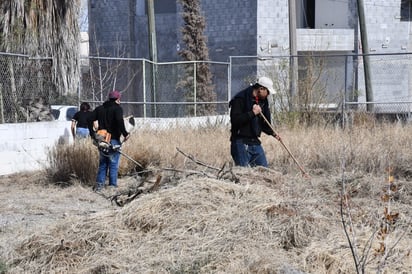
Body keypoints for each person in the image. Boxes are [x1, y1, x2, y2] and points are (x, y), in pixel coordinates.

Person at [229, 76, 281, 167]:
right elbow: (235, 120)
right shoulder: (240, 99)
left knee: (264, 170)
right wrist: (252, 113)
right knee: (244, 174)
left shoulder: (263, 102)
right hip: (240, 142)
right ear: (261, 89)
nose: (268, 94)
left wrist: (273, 133)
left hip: (255, 142)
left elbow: (265, 124)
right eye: (267, 92)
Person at [88, 90, 130, 192]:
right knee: (113, 163)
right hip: (114, 139)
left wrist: (92, 134)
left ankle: (99, 186)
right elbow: (120, 121)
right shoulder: (117, 109)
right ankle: (112, 186)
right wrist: (125, 133)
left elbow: (89, 119)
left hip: (102, 140)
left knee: (103, 163)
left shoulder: (100, 109)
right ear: (118, 99)